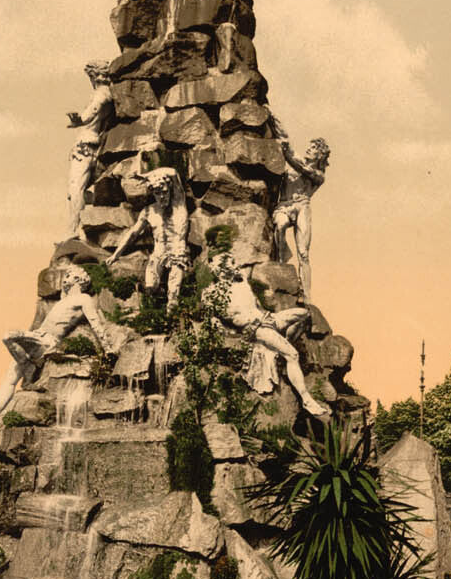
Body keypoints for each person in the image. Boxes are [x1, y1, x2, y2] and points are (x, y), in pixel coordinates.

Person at [0, 266, 113, 432]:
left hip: (47, 341)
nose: (64, 278)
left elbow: (96, 323)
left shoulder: (83, 299)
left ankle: (29, 365)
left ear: (78, 279)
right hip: (38, 337)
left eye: (68, 275)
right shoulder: (64, 299)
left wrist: (108, 348)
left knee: (9, 336)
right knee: (11, 375)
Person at [212, 253, 330, 419]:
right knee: (293, 355)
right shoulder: (217, 294)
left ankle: (283, 346)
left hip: (269, 319)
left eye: (233, 262)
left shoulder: (241, 283)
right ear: (220, 271)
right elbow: (224, 318)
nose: (233, 266)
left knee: (304, 314)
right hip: (257, 328)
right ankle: (306, 399)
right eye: (229, 264)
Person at [108, 167, 189, 310]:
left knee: (174, 287)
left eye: (165, 192)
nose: (162, 197)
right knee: (150, 285)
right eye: (158, 194)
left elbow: (173, 172)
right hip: (158, 252)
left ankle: (172, 307)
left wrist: (145, 175)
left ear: (170, 189)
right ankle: (154, 311)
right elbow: (133, 233)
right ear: (153, 194)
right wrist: (116, 254)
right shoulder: (149, 211)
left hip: (177, 250)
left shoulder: (178, 202)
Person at [271, 118, 330, 305]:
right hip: (285, 204)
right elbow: (283, 135)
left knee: (303, 253)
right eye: (310, 147)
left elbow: (302, 168)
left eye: (313, 149)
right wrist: (271, 117)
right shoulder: (295, 158)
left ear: (320, 155)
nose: (309, 150)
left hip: (303, 206)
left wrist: (287, 152)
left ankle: (307, 295)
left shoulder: (319, 176)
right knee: (279, 226)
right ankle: (281, 268)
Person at [66, 60, 114, 237]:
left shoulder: (101, 95)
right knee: (81, 190)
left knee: (75, 189)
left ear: (93, 76)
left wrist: (79, 119)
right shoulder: (108, 94)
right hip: (95, 145)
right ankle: (84, 227)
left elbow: (91, 113)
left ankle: (74, 230)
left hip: (85, 145)